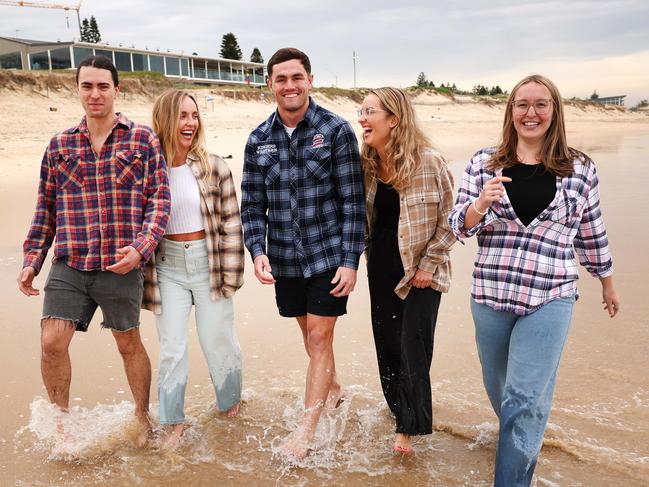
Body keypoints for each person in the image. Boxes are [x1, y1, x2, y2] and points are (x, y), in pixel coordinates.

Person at [448, 74, 620, 486]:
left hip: (551, 294)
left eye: (541, 104)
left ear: (554, 112)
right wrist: (479, 204)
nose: (531, 113)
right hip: (491, 293)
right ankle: (521, 437)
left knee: (523, 398)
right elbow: (458, 227)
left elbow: (591, 231)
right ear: (510, 112)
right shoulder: (484, 163)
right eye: (522, 105)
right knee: (503, 392)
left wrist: (606, 281)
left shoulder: (580, 169)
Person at [17, 55, 171, 446]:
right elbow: (45, 209)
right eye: (87, 86)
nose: (95, 93)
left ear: (117, 90)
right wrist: (32, 260)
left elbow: (159, 201)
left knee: (127, 341)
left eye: (103, 86)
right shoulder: (59, 145)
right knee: (52, 341)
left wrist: (141, 249)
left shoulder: (142, 139)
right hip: (71, 261)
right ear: (78, 90)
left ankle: (141, 416)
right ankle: (61, 424)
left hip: (121, 262)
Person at [240, 47, 365, 460]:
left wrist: (351, 260)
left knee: (318, 335)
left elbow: (353, 203)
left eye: (296, 77)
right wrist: (257, 251)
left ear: (309, 80)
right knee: (311, 340)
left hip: (328, 255)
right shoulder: (258, 140)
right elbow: (252, 206)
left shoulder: (336, 130)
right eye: (281, 78)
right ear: (270, 84)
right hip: (285, 260)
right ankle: (334, 388)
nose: (289, 86)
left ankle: (306, 434)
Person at [357, 87, 455, 454]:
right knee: (387, 345)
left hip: (421, 270)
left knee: (413, 346)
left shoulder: (429, 161)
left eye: (369, 112)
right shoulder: (366, 164)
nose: (362, 119)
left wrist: (429, 264)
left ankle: (406, 431)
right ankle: (401, 410)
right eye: (361, 111)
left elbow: (452, 219)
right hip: (381, 264)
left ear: (393, 119)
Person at [145, 89, 245, 449]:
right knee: (172, 346)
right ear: (165, 119)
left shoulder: (214, 165)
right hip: (166, 267)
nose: (190, 123)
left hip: (209, 261)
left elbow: (232, 223)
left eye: (194, 115)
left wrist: (231, 275)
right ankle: (174, 421)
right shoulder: (147, 167)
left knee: (218, 340)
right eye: (182, 116)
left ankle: (230, 403)